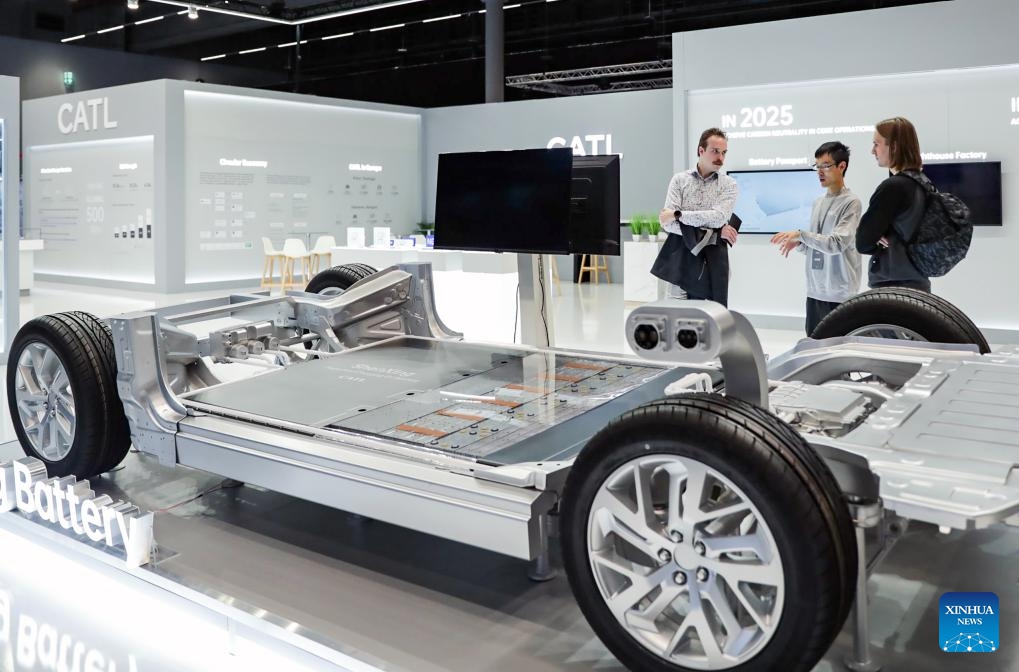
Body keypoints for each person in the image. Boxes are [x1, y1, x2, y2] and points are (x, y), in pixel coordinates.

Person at [771, 141, 863, 335]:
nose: (820, 171)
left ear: (842, 166)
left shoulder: (851, 202)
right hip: (815, 291)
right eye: (817, 166)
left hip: (840, 293)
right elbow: (814, 247)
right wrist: (799, 243)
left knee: (838, 352)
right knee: (814, 347)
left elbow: (837, 244)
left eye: (826, 165)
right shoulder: (818, 202)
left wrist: (801, 235)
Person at [650, 128, 739, 304]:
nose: (720, 157)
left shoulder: (729, 185)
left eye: (724, 152)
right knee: (677, 319)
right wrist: (714, 233)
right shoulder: (679, 180)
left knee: (709, 321)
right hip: (680, 259)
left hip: (713, 260)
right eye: (715, 151)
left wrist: (678, 214)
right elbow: (667, 224)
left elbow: (718, 217)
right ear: (701, 150)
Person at [855, 116, 930, 292]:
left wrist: (873, 236)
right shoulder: (923, 183)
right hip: (918, 283)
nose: (872, 151)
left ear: (894, 146)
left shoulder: (893, 187)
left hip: (892, 287)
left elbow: (863, 241)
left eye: (876, 144)